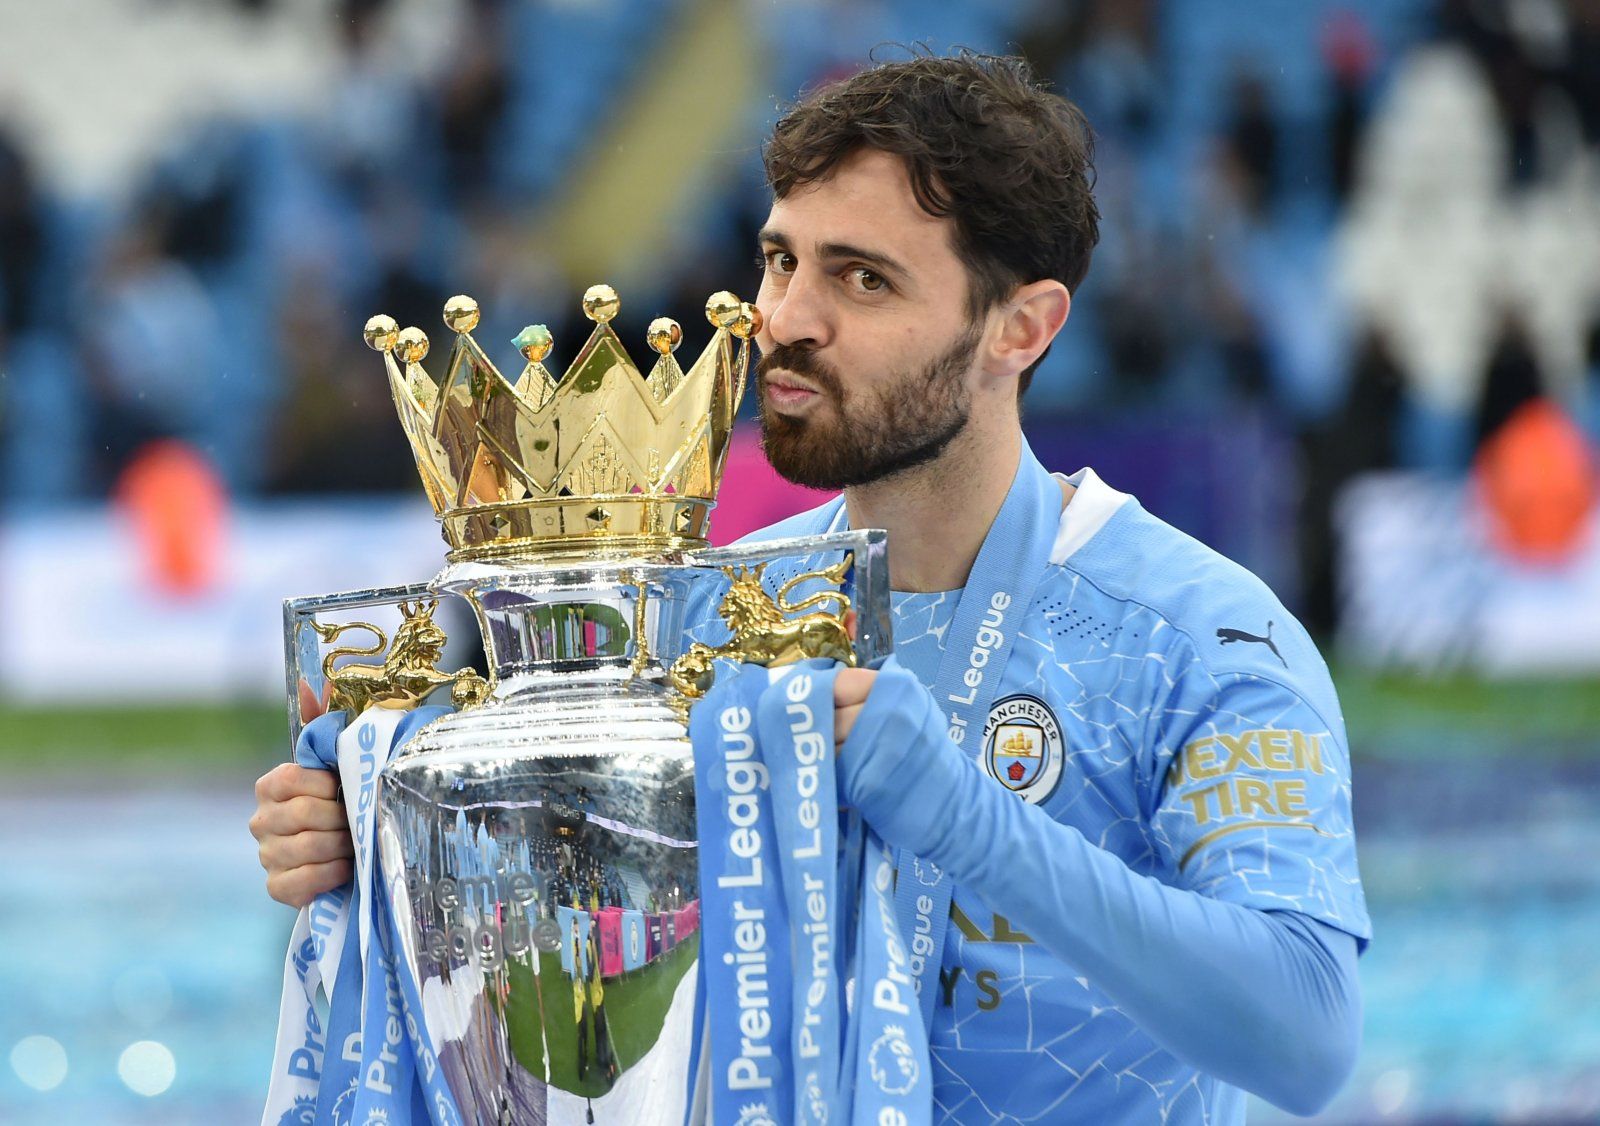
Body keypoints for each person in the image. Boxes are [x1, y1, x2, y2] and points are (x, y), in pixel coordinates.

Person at [252, 51, 1368, 1122]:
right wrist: (404, 849)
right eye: (781, 261)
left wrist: (967, 821)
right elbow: (580, 1023)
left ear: (1020, 329)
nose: (783, 320)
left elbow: (1308, 1035)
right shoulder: (698, 617)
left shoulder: (1196, 637)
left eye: (862, 278)